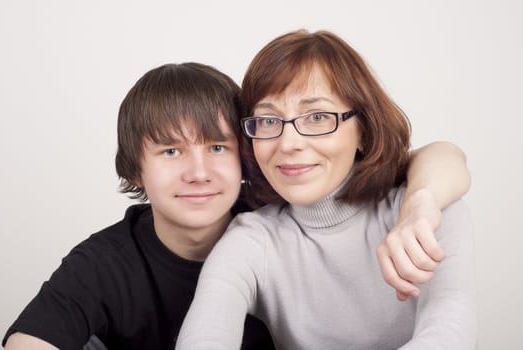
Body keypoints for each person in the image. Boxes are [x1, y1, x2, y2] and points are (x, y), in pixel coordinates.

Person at [3, 60, 469, 350]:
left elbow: (436, 156)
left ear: (246, 155)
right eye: (170, 152)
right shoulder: (105, 262)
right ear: (133, 171)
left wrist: (422, 203)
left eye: (218, 148)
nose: (198, 172)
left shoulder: (271, 211)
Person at [176, 30, 476, 349]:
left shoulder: (427, 214)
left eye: (317, 116)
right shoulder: (251, 239)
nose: (289, 143)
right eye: (268, 120)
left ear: (363, 130)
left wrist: (421, 205)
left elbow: (448, 337)